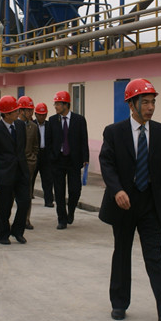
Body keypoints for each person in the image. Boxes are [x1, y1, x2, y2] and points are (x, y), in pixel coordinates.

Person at [99, 79, 161, 321]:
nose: (150, 107)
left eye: (153, 102)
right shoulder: (114, 132)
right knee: (122, 253)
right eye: (145, 102)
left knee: (154, 256)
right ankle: (119, 303)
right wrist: (117, 190)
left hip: (150, 204)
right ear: (131, 104)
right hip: (124, 203)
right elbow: (107, 164)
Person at [0, 95, 30, 245]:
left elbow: (22, 146)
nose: (18, 113)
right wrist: (2, 163)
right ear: (6, 114)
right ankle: (3, 234)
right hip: (5, 173)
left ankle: (18, 231)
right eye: (15, 111)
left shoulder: (20, 126)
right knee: (4, 206)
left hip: (21, 171)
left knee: (24, 202)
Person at [45, 90, 89, 229]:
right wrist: (51, 156)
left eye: (58, 104)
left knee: (75, 190)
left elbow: (84, 140)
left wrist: (85, 158)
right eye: (55, 104)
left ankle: (71, 211)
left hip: (74, 160)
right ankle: (62, 219)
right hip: (58, 160)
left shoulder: (79, 120)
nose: (55, 106)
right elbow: (48, 140)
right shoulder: (52, 120)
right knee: (59, 191)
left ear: (66, 104)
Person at [17, 96, 39, 230]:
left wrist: (33, 159)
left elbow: (35, 146)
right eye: (28, 110)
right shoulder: (14, 125)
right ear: (21, 111)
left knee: (27, 194)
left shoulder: (33, 127)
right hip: (15, 165)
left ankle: (26, 219)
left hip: (28, 165)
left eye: (32, 110)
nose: (31, 113)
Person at [33, 102, 53, 207]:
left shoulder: (50, 125)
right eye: (39, 115)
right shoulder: (31, 125)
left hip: (46, 155)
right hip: (35, 154)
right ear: (35, 114)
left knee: (48, 179)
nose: (41, 117)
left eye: (43, 115)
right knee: (31, 178)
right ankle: (28, 197)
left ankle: (48, 200)